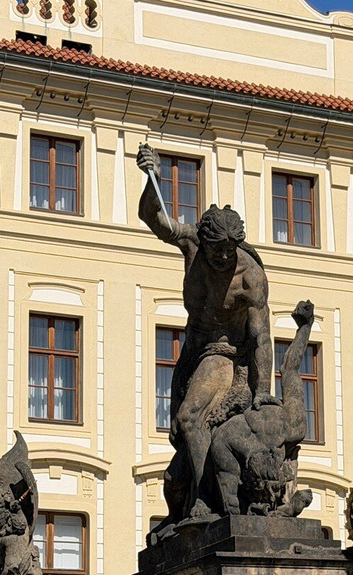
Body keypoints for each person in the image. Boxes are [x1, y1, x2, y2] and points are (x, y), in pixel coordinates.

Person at [136, 144, 277, 530]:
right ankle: (188, 503)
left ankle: (204, 503)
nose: (221, 259)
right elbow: (155, 218)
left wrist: (262, 389)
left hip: (225, 354)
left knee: (190, 416)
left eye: (228, 251)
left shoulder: (250, 278)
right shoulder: (194, 246)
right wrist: (153, 180)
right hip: (192, 352)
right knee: (181, 434)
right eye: (216, 251)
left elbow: (262, 339)